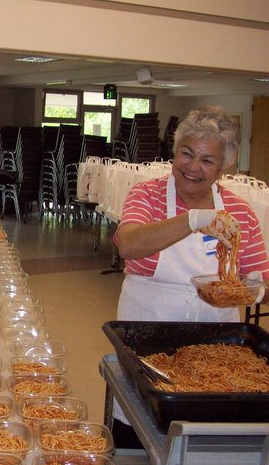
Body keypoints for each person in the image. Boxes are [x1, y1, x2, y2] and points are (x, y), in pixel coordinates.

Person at [112, 105, 269, 447]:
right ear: (174, 152)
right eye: (186, 153)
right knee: (138, 430)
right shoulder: (147, 195)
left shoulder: (240, 212)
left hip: (215, 345)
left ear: (223, 168)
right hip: (148, 335)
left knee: (203, 434)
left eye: (207, 160)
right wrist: (192, 220)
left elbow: (262, 278)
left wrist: (254, 290)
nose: (193, 167)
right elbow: (128, 244)